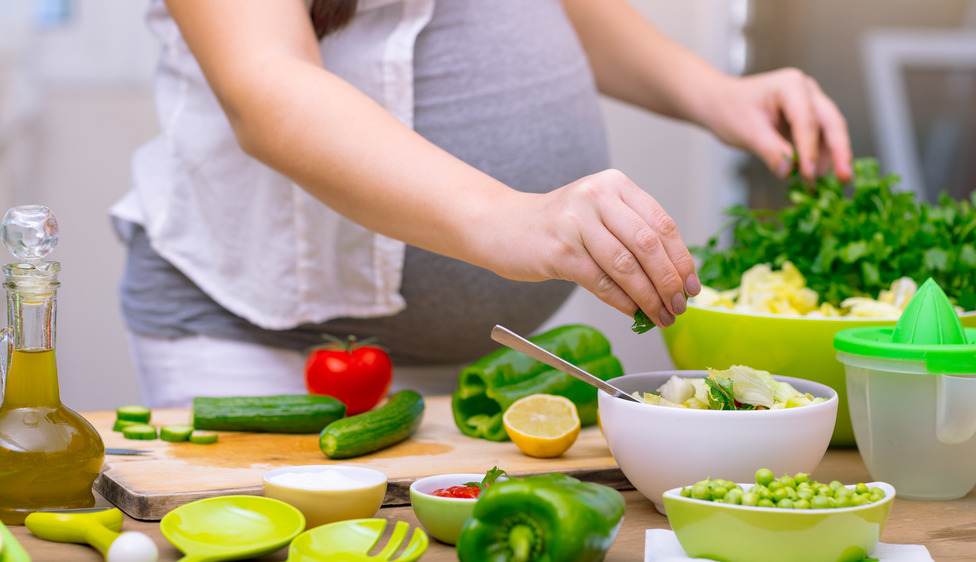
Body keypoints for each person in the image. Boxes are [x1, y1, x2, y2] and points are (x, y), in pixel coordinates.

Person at [111, 0, 853, 407]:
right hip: (270, 351)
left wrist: (713, 92)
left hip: (480, 371)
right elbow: (264, 86)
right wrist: (510, 218)